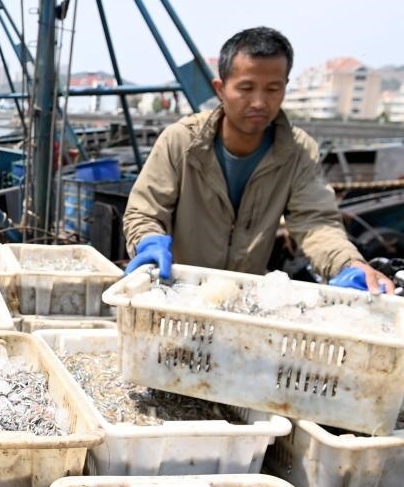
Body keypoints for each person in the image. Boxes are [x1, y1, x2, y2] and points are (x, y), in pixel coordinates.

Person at [123, 27, 392, 293]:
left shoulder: (298, 151)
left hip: (243, 297)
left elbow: (316, 223)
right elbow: (145, 211)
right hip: (176, 290)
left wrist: (348, 264)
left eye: (273, 89)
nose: (260, 102)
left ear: (285, 88)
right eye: (246, 88)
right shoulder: (181, 141)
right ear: (220, 89)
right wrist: (148, 243)